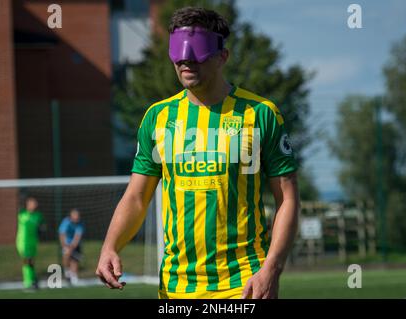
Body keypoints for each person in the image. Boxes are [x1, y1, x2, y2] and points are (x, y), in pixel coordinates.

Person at [96, 7, 299, 299]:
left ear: (222, 56)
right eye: (179, 53)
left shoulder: (260, 114)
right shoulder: (158, 117)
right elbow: (136, 197)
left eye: (197, 53)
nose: (185, 60)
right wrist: (110, 246)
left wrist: (272, 268)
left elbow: (287, 199)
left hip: (244, 282)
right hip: (176, 287)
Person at [16, 197, 44, 290]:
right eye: (32, 203)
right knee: (26, 261)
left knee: (31, 262)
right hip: (23, 242)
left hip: (33, 242)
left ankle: (33, 279)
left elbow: (41, 227)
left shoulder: (38, 216)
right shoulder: (22, 214)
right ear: (27, 205)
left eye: (35, 203)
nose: (34, 205)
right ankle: (28, 283)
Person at [59, 208, 84, 285]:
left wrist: (72, 247)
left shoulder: (80, 224)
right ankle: (67, 273)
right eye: (74, 215)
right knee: (66, 256)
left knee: (75, 260)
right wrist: (65, 246)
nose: (76, 217)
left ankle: (74, 277)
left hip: (75, 244)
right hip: (66, 243)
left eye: (77, 215)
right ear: (71, 216)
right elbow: (62, 235)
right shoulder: (66, 222)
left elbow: (77, 237)